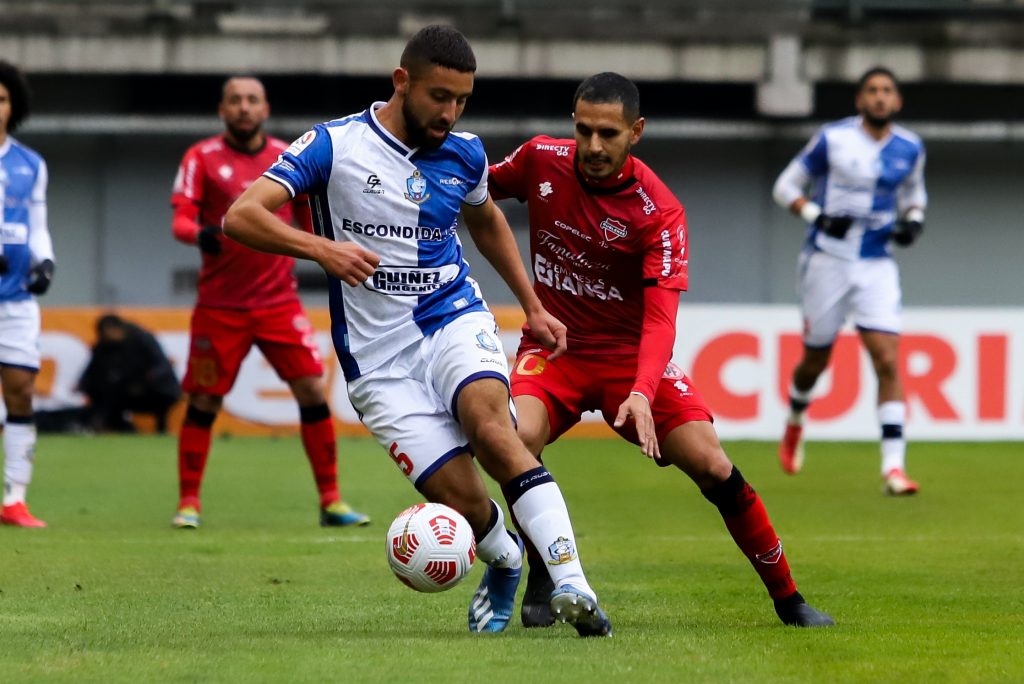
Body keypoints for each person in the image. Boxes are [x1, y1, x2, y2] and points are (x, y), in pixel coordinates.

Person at [224, 25, 611, 637]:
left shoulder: (466, 152)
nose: (450, 113)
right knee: (463, 501)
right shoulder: (334, 145)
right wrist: (322, 249)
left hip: (451, 315)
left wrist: (531, 305)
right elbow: (240, 216)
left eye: (462, 100)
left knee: (491, 429)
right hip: (376, 357)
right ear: (401, 81)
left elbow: (485, 221)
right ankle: (506, 562)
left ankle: (573, 583)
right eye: (439, 96)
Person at [488, 72, 834, 628]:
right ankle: (543, 563)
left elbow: (659, 321)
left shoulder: (659, 211)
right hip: (556, 351)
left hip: (630, 360)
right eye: (583, 130)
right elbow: (473, 187)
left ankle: (789, 599)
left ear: (636, 131)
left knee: (713, 465)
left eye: (608, 133)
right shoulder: (539, 159)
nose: (593, 146)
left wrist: (644, 392)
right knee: (514, 440)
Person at [169, 75, 369, 530]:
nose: (243, 107)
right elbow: (181, 218)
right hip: (220, 307)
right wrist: (199, 233)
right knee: (203, 400)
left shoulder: (286, 156)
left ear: (265, 108)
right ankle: (188, 503)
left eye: (252, 100)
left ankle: (332, 501)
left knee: (311, 391)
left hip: (279, 304)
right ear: (222, 109)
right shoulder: (201, 158)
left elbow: (308, 224)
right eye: (235, 100)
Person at [773, 66, 926, 496]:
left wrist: (913, 221)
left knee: (888, 360)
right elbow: (785, 186)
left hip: (877, 263)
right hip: (828, 260)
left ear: (896, 101)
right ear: (860, 100)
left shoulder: (910, 147)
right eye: (872, 90)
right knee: (815, 362)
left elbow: (915, 195)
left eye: (887, 91)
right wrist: (817, 216)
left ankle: (893, 469)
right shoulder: (833, 138)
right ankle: (797, 417)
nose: (880, 97)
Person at [0, 60, 55, 528]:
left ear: (13, 105)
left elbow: (36, 228)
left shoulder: (29, 163)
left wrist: (46, 264)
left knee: (20, 392)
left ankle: (14, 499)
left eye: (0, 98)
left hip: (16, 300)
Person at [78, 314, 182, 433]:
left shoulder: (143, 338)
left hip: (156, 389)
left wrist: (150, 376)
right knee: (106, 394)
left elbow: (162, 364)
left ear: (116, 329)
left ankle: (161, 429)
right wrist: (82, 383)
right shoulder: (104, 346)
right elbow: (92, 368)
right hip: (127, 389)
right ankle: (125, 429)